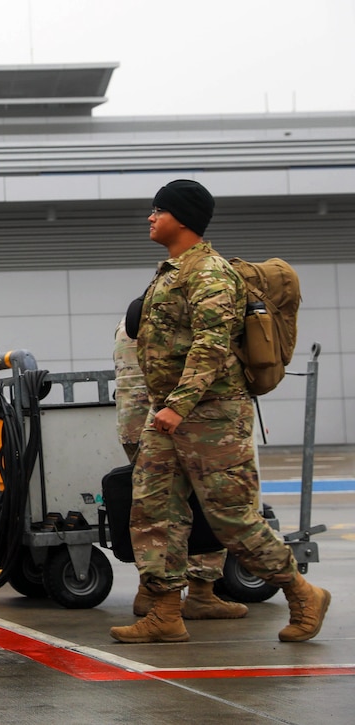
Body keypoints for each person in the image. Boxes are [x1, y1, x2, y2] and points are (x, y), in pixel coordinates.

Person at [110, 179, 330, 644]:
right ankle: (166, 612)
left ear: (182, 217)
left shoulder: (209, 273)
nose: (150, 217)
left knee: (233, 520)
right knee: (153, 512)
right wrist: (166, 410)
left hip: (211, 418)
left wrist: (179, 405)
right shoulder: (170, 272)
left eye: (158, 210)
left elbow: (212, 347)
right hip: (167, 415)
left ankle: (302, 592)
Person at [114, 317, 247, 621]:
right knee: (205, 503)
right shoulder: (190, 315)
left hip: (136, 423)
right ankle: (201, 593)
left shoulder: (132, 316)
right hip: (177, 420)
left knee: (154, 509)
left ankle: (151, 593)